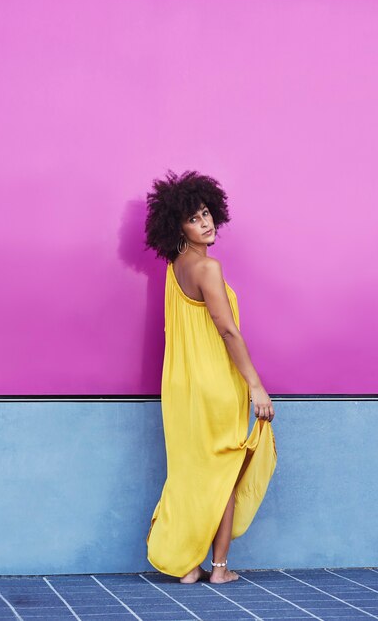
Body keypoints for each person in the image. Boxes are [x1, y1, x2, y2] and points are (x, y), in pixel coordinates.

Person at [144, 169, 277, 584]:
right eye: (195, 218)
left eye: (207, 214)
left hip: (181, 387)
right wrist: (255, 384)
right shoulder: (208, 268)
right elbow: (227, 330)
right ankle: (219, 569)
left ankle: (187, 565)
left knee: (192, 471)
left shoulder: (174, 267)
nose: (206, 223)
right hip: (216, 383)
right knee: (225, 474)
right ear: (177, 226)